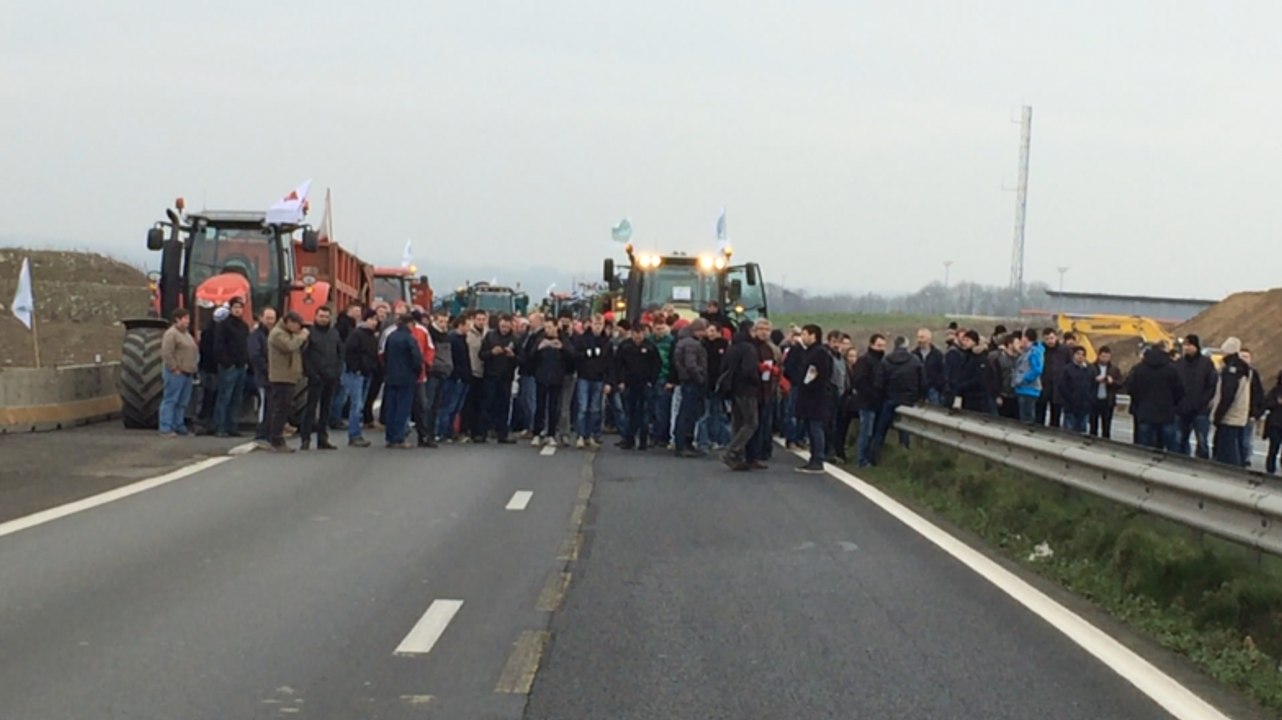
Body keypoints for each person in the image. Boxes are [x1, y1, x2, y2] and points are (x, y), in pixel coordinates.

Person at [871, 336, 923, 463]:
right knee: (905, 430)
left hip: (889, 399)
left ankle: (874, 457)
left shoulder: (886, 360)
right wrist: (917, 397)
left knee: (880, 430)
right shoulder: (915, 361)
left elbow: (879, 382)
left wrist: (882, 396)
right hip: (908, 400)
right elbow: (922, 382)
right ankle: (904, 457)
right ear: (906, 345)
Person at [719, 321, 762, 471]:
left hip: (733, 389)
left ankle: (737, 457)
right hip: (747, 389)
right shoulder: (749, 348)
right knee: (751, 423)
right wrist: (757, 380)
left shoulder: (732, 346)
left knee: (738, 423)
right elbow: (749, 369)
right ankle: (731, 451)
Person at [1127, 343, 1184, 452]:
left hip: (1145, 411)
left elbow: (1132, 389)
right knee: (1171, 446)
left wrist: (1140, 403)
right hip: (1167, 411)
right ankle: (1173, 466)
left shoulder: (1139, 369)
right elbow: (1179, 391)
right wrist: (1173, 403)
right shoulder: (1172, 369)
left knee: (1145, 446)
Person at [266, 311, 310, 452]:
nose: (299, 329)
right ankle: (276, 440)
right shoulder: (278, 333)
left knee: (285, 408)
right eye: (297, 325)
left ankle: (278, 437)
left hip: (289, 376)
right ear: (289, 322)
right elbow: (290, 346)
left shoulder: (288, 333)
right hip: (281, 376)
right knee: (280, 408)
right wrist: (301, 337)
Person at [300, 306, 342, 451]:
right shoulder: (310, 333)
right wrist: (312, 374)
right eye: (321, 316)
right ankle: (305, 439)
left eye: (326, 316)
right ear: (315, 316)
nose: (323, 319)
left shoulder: (334, 333)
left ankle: (322, 439)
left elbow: (339, 353)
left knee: (326, 409)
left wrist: (337, 372)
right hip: (315, 377)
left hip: (330, 377)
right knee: (310, 409)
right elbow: (304, 356)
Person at [794, 324, 834, 474]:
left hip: (816, 397)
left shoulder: (819, 353)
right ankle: (814, 458)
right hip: (811, 397)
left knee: (815, 428)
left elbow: (815, 375)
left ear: (813, 335)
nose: (802, 337)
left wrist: (806, 386)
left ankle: (818, 459)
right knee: (812, 428)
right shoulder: (811, 352)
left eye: (804, 334)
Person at [615, 323, 661, 450]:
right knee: (630, 412)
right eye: (635, 333)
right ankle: (629, 440)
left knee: (644, 413)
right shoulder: (625, 346)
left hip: (645, 384)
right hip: (629, 384)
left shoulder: (650, 347)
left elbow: (656, 365)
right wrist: (621, 381)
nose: (638, 336)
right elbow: (619, 365)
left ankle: (643, 441)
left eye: (640, 333)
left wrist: (652, 381)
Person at [382, 314, 424, 449]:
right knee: (402, 409)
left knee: (391, 408)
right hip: (406, 378)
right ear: (410, 324)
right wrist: (416, 373)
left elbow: (385, 356)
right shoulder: (410, 339)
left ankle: (390, 437)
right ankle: (399, 438)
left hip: (391, 377)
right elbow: (417, 359)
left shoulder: (391, 337)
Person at [573, 314, 614, 449]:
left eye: (600, 324)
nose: (597, 326)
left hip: (599, 378)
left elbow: (610, 363)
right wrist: (586, 354)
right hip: (584, 377)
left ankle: (590, 435)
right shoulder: (582, 339)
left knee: (595, 409)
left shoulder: (607, 341)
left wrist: (608, 381)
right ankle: (580, 435)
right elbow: (575, 356)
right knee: (582, 408)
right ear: (590, 324)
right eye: (595, 323)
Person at [341, 309, 380, 447]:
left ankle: (357, 433)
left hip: (366, 373)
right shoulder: (357, 334)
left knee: (360, 404)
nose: (374, 322)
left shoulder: (372, 336)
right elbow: (349, 352)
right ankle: (354, 434)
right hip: (356, 373)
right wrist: (356, 368)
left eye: (376, 320)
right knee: (356, 405)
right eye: (371, 319)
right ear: (365, 320)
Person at [1174, 334, 1217, 459]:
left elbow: (1211, 386)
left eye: (1190, 345)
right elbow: (1174, 384)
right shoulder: (1179, 363)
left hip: (1200, 410)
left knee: (1202, 441)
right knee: (1180, 439)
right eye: (1185, 345)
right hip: (1181, 409)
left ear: (1196, 346)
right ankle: (1181, 462)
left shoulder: (1206, 363)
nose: (1187, 348)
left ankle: (1202, 465)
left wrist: (1203, 402)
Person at [1211, 338, 1252, 467]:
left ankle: (1230, 477)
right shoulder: (1244, 369)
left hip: (1229, 416)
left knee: (1227, 452)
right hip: (1239, 415)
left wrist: (1218, 415)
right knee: (1237, 446)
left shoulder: (1231, 370)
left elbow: (1227, 395)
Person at [213, 297, 250, 437]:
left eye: (240, 307)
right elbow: (219, 346)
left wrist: (246, 362)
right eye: (235, 307)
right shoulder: (223, 326)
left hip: (241, 367)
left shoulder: (244, 327)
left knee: (236, 398)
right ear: (230, 309)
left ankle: (232, 426)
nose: (238, 310)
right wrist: (227, 363)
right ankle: (220, 427)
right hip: (229, 367)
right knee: (224, 397)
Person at [672, 318, 710, 458]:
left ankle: (683, 443)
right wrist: (700, 378)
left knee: (685, 413)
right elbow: (691, 364)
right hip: (692, 382)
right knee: (688, 414)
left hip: (686, 381)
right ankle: (683, 444)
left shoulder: (682, 341)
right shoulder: (692, 344)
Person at [479, 314, 519, 444]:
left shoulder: (515, 339)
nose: (504, 329)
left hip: (506, 377)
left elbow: (522, 359)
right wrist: (491, 352)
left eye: (507, 327)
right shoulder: (490, 336)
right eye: (502, 326)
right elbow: (481, 354)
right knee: (487, 404)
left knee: (504, 406)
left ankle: (502, 434)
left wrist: (512, 356)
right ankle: (483, 433)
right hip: (490, 375)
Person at [158, 308, 198, 438]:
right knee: (171, 400)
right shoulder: (172, 334)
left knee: (182, 402)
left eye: (188, 318)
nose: (188, 321)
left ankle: (178, 425)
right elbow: (167, 352)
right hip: (176, 373)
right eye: (185, 318)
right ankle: (165, 427)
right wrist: (174, 368)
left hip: (188, 372)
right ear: (177, 319)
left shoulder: (186, 334)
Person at [531, 321, 571, 446]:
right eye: (545, 327)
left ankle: (551, 434)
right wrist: (539, 348)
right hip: (541, 377)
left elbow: (572, 356)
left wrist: (562, 348)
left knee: (554, 407)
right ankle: (537, 433)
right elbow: (530, 357)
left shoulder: (563, 340)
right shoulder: (539, 340)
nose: (547, 330)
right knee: (540, 406)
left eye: (549, 327)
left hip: (556, 378)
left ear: (555, 327)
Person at [850, 335, 885, 467]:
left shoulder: (880, 361)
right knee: (866, 432)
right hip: (866, 403)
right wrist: (873, 395)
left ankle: (868, 458)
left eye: (883, 346)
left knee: (870, 432)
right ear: (871, 345)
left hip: (875, 403)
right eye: (878, 345)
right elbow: (860, 382)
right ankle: (861, 459)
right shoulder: (865, 361)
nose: (881, 349)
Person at [697, 321, 731, 451]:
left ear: (718, 332)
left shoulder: (724, 345)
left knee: (718, 413)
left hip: (719, 384)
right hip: (706, 382)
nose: (709, 334)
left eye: (712, 331)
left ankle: (720, 440)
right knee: (704, 414)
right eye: (708, 330)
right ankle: (704, 441)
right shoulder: (703, 345)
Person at [438, 316, 472, 442]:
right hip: (455, 377)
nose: (470, 328)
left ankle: (450, 431)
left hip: (463, 377)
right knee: (449, 406)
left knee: (457, 407)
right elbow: (455, 359)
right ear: (461, 325)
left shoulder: (462, 338)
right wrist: (457, 374)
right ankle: (443, 431)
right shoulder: (453, 339)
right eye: (468, 325)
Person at [329, 302, 362, 430]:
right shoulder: (344, 325)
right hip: (344, 361)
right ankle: (335, 418)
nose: (358, 313)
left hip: (344, 360)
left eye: (359, 311)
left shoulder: (350, 324)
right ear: (349, 311)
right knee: (342, 391)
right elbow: (342, 343)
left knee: (342, 391)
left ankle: (336, 417)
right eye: (356, 310)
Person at [248, 308, 278, 447]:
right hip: (264, 377)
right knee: (264, 405)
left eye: (272, 318)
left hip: (274, 377)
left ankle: (270, 432)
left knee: (271, 406)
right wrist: (268, 370)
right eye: (268, 318)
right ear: (261, 318)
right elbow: (255, 356)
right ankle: (261, 433)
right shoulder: (256, 336)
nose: (270, 321)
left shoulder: (273, 334)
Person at [407, 310, 437, 447]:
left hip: (419, 376)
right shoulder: (397, 331)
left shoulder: (422, 331)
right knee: (405, 406)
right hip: (406, 376)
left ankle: (423, 436)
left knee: (422, 406)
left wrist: (426, 364)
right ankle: (400, 434)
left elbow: (430, 349)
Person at [424, 309, 453, 446]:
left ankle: (432, 432)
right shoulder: (430, 334)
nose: (443, 324)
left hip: (444, 372)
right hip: (433, 373)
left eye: (445, 321)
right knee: (429, 404)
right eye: (440, 321)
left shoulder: (447, 334)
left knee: (437, 405)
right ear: (434, 320)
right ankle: (426, 433)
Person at [517, 312, 546, 439]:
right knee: (524, 400)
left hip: (532, 372)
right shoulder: (529, 335)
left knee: (531, 401)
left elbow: (534, 354)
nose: (530, 323)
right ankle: (528, 426)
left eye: (532, 321)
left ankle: (534, 427)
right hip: (524, 371)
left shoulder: (540, 336)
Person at [461, 310, 489, 441]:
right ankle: (465, 430)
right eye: (479, 319)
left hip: (485, 373)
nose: (481, 322)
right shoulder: (469, 335)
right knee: (469, 404)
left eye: (483, 319)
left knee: (481, 404)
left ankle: (478, 431)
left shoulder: (488, 335)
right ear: (474, 320)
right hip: (472, 372)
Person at [195, 307, 224, 433]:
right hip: (209, 369)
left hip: (214, 368)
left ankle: (211, 422)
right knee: (207, 396)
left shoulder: (212, 332)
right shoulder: (209, 333)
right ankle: (203, 423)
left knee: (212, 396)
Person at [649, 319, 677, 449]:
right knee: (651, 409)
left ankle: (661, 437)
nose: (659, 331)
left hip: (664, 377)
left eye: (662, 328)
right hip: (651, 378)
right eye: (657, 328)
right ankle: (653, 434)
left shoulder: (671, 342)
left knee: (662, 409)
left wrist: (671, 380)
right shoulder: (649, 341)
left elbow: (673, 362)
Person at [1057, 346, 1094, 434]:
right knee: (1069, 432)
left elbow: (1093, 385)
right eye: (1078, 354)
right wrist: (1070, 398)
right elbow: (1062, 386)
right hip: (1070, 406)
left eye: (1083, 355)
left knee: (1082, 431)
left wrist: (1090, 399)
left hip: (1084, 406)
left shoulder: (1089, 370)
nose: (1080, 356)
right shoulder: (1067, 369)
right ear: (1073, 355)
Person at [1088, 346, 1123, 439]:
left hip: (1108, 401)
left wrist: (1112, 382)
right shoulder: (1091, 368)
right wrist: (1095, 380)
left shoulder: (1114, 369)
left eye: (1107, 357)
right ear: (1099, 356)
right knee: (1093, 424)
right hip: (1094, 400)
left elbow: (1120, 383)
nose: (1105, 359)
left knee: (1107, 425)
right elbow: (1085, 382)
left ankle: (1106, 442)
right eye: (1103, 356)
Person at [1039, 329, 1070, 427]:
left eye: (1051, 338)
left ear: (1056, 337)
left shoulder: (1064, 350)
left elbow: (1069, 366)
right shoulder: (1040, 350)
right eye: (1047, 339)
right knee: (1040, 415)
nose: (1050, 341)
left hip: (1058, 388)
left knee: (1056, 416)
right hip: (1043, 387)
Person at [1240, 348, 1266, 467]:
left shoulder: (1253, 375)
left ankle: (1245, 459)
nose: (1244, 359)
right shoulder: (1234, 372)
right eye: (1242, 356)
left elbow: (1259, 396)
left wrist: (1255, 414)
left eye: (1246, 357)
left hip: (1248, 414)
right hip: (1234, 413)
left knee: (1246, 440)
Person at [1013, 329, 1043, 424]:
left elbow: (1037, 369)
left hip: (1029, 389)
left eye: (1022, 337)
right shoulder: (1026, 351)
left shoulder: (1034, 352)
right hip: (1022, 389)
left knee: (1027, 417)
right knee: (1023, 416)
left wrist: (1024, 379)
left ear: (1026, 338)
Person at [914, 329, 945, 406]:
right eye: (918, 337)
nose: (919, 340)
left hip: (933, 389)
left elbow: (943, 371)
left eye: (922, 337)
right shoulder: (913, 355)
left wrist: (937, 384)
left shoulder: (938, 355)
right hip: (917, 390)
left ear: (929, 339)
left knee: (935, 411)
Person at [1262, 371, 1282, 475]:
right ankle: (1270, 469)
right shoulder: (1275, 391)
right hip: (1275, 423)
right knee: (1274, 447)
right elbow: (1266, 404)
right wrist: (1276, 403)